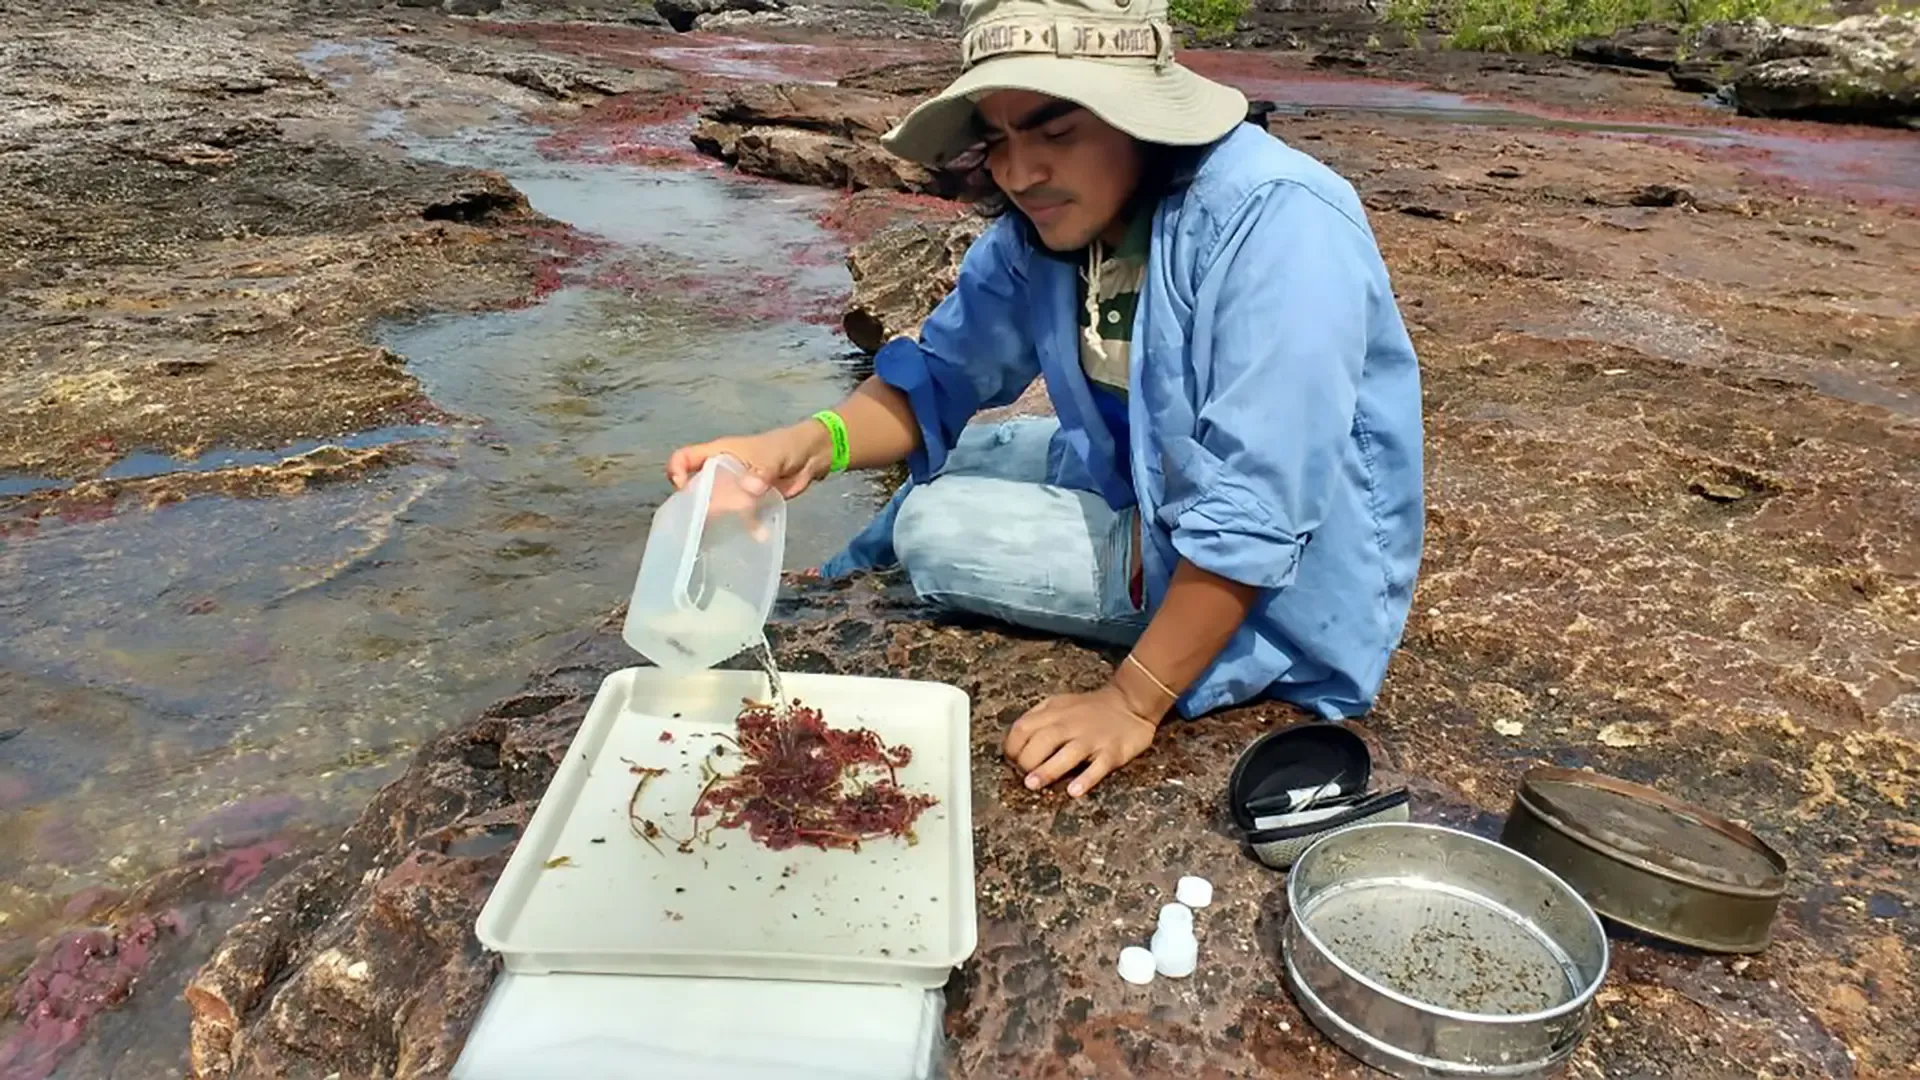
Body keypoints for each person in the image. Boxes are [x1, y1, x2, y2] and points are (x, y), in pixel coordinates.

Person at [667, 0, 1424, 798]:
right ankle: (835, 582)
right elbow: (941, 376)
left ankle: (875, 576)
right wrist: (799, 446)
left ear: (1142, 119)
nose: (1019, 173)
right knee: (960, 454)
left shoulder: (1277, 222)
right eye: (997, 140)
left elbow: (1258, 508)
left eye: (1056, 132)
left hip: (1279, 585)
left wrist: (1132, 701)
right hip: (1141, 470)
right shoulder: (1044, 234)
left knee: (931, 524)